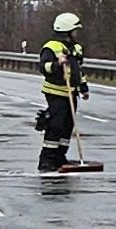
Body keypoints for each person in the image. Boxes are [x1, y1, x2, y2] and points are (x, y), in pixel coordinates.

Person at [37, 10, 87, 172]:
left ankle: (60, 157)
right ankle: (47, 159)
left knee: (67, 125)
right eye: (75, 30)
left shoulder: (76, 48)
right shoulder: (51, 47)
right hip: (55, 91)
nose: (76, 33)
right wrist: (58, 63)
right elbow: (43, 67)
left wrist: (83, 87)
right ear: (67, 31)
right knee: (56, 125)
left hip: (71, 92)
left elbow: (78, 70)